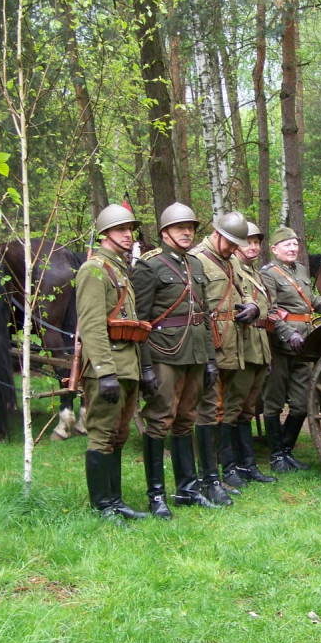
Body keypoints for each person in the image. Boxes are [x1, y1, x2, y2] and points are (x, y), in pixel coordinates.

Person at [132, 202, 220, 515]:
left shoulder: (196, 265)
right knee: (159, 421)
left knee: (186, 420)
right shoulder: (149, 266)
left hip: (195, 353)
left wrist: (209, 359)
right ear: (165, 232)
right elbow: (140, 322)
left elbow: (204, 315)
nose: (187, 232)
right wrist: (145, 367)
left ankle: (187, 490)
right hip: (164, 354)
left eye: (191, 227)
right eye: (180, 227)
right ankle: (156, 496)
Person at [74, 204, 148, 521]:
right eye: (120, 229)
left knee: (118, 435)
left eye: (130, 229)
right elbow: (91, 326)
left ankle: (115, 501)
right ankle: (102, 506)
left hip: (126, 366)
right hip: (107, 368)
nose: (128, 235)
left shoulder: (119, 269)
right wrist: (105, 372)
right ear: (104, 233)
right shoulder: (93, 270)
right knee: (102, 435)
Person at [262, 226, 321, 473]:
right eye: (287, 245)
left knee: (301, 402)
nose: (293, 248)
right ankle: (276, 456)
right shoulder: (269, 274)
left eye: (295, 244)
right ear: (274, 249)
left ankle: (287, 452)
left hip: (305, 345)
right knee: (273, 402)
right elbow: (270, 310)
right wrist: (289, 334)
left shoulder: (300, 271)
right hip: (281, 344)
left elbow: (312, 303)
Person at [190, 211, 260, 498]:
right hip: (211, 342)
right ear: (217, 235)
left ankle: (220, 472)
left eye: (237, 245)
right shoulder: (197, 259)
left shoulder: (230, 260)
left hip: (235, 342)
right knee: (209, 410)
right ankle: (206, 475)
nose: (234, 250)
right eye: (231, 243)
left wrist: (251, 307)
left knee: (226, 409)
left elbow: (244, 292)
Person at [231, 222, 278, 483]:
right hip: (243, 344)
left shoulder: (255, 273)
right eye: (248, 241)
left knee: (248, 408)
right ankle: (232, 465)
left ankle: (248, 465)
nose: (253, 247)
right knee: (234, 407)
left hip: (259, 344)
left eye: (257, 242)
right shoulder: (234, 269)